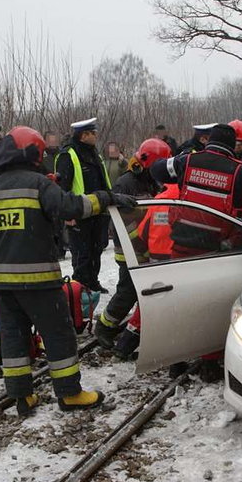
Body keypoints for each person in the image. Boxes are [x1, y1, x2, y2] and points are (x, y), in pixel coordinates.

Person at [0, 126, 136, 415]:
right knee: (58, 334)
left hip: (1, 283)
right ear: (34, 153)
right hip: (39, 281)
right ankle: (70, 393)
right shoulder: (37, 184)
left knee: (14, 337)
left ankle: (22, 396)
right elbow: (71, 207)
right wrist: (107, 198)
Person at [150, 123, 242, 380]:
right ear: (233, 145)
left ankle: (176, 360)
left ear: (207, 142)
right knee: (209, 307)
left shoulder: (187, 161)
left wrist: (179, 165)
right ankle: (210, 364)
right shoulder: (240, 170)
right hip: (215, 251)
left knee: (181, 305)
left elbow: (157, 168)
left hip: (181, 246)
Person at [94, 138, 170, 353]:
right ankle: (105, 327)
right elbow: (121, 222)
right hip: (130, 248)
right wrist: (140, 244)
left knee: (138, 290)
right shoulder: (126, 184)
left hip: (146, 247)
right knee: (128, 291)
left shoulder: (150, 180)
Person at [55, 118, 112, 293]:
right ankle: (80, 287)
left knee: (96, 250)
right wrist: (67, 215)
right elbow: (61, 188)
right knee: (82, 253)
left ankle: (92, 281)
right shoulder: (68, 155)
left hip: (98, 212)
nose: (96, 136)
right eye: (93, 133)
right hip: (79, 213)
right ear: (83, 135)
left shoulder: (94, 153)